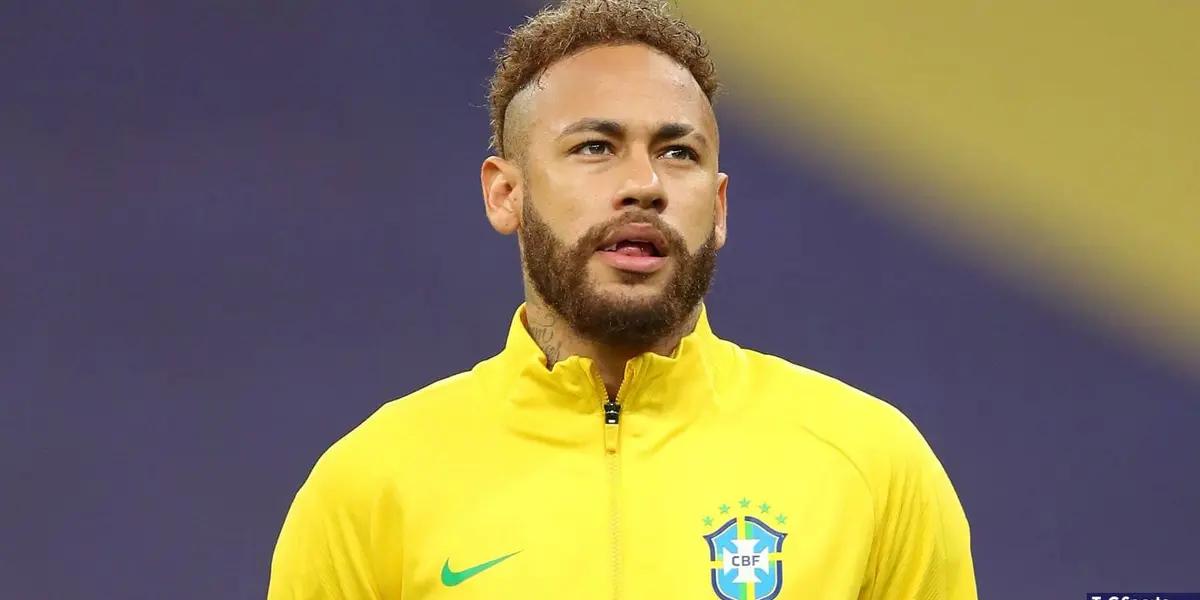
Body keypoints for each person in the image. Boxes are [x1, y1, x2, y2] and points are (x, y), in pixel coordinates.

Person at [268, 1, 977, 598]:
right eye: (594, 147)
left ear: (720, 205)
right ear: (504, 192)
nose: (645, 183)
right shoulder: (369, 486)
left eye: (678, 153)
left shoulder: (871, 465)